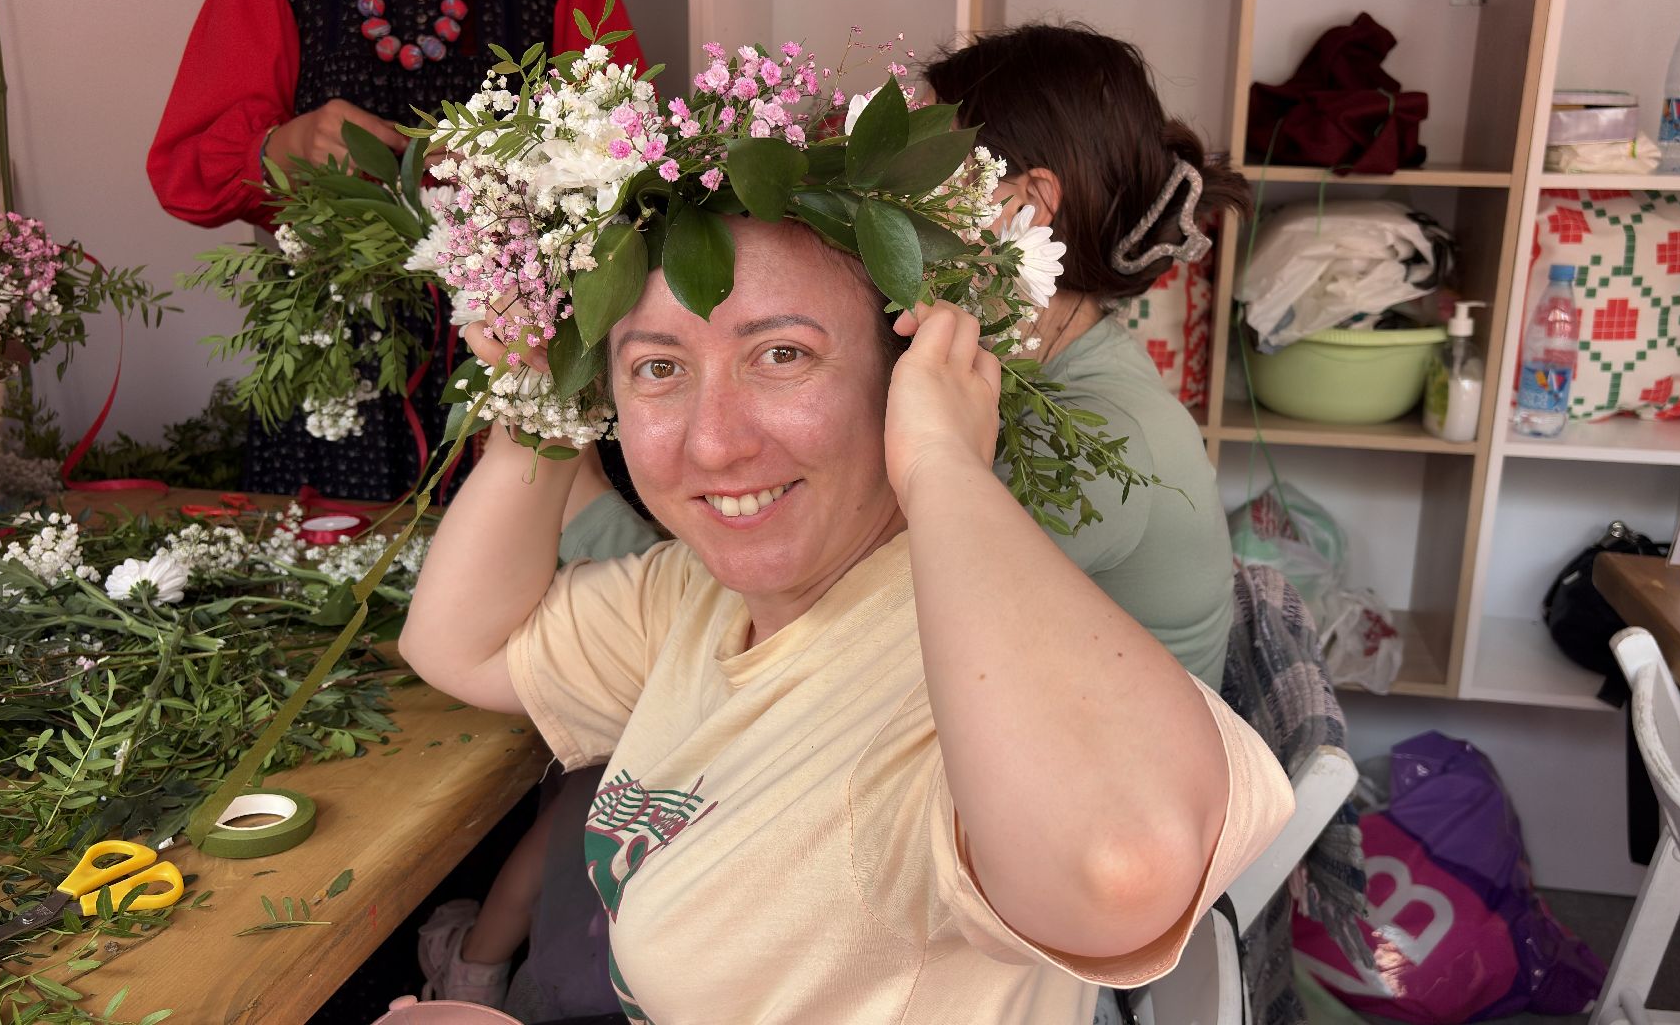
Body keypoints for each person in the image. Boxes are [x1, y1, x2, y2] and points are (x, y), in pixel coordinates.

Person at [402, 213, 1294, 1021]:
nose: (714, 440)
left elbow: (1120, 871)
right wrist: (536, 408)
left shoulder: (955, 665)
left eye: (781, 354)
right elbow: (459, 646)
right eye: (658, 368)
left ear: (905, 377)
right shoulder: (702, 597)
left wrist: (944, 461)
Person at [147, 0, 643, 501]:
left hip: (514, 333)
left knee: (521, 541)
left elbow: (629, 154)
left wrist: (530, 166)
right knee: (342, 541)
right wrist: (281, 149)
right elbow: (182, 171)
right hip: (340, 348)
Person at [924, 22, 1248, 696]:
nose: (892, 195)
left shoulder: (1093, 436)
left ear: (1029, 202)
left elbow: (893, 631)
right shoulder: (1042, 355)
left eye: (927, 166)